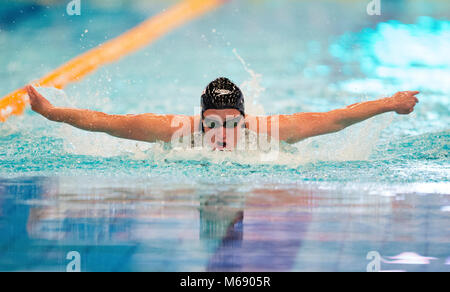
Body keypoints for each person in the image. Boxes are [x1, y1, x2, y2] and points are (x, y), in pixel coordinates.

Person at [25, 77, 419, 151]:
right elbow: (106, 124)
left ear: (245, 120)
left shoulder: (271, 133)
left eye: (232, 123)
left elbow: (337, 117)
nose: (222, 133)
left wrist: (390, 102)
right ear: (200, 119)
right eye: (212, 123)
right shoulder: (171, 132)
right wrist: (52, 112)